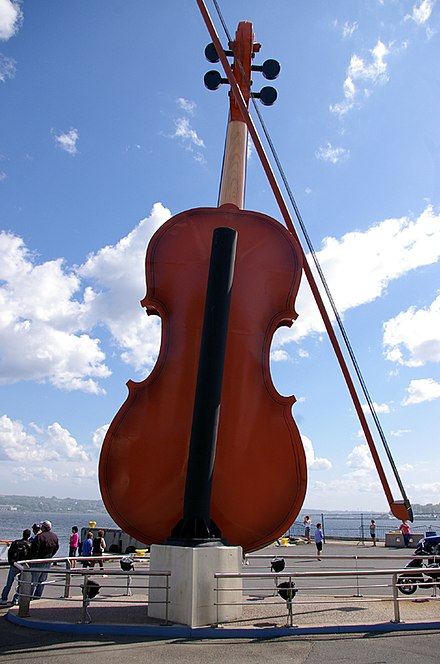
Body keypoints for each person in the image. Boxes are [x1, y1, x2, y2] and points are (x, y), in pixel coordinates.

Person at [0, 529, 31, 605]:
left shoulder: (16, 542)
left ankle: (4, 598)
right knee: (21, 583)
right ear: (29, 535)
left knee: (9, 583)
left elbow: (10, 552)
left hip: (14, 564)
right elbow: (30, 555)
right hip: (23, 565)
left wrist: (11, 562)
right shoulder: (29, 544)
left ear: (23, 534)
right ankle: (16, 599)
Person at [30, 520, 59, 599]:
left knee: (33, 581)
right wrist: (51, 555)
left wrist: (33, 558)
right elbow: (56, 548)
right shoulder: (54, 536)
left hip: (38, 561)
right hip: (48, 561)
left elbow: (34, 549)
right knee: (42, 581)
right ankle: (37, 597)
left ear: (44, 527)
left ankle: (29, 597)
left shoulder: (40, 537)